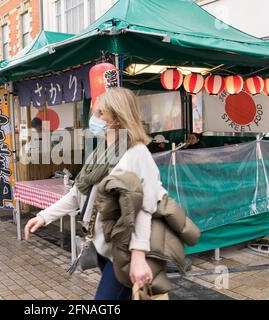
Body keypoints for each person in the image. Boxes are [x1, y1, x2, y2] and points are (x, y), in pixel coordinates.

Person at [24, 88, 168, 300]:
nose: (95, 118)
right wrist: (44, 216)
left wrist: (138, 256)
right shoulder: (103, 150)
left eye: (101, 113)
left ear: (117, 117)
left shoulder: (136, 154)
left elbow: (145, 209)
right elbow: (78, 193)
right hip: (102, 246)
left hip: (124, 251)